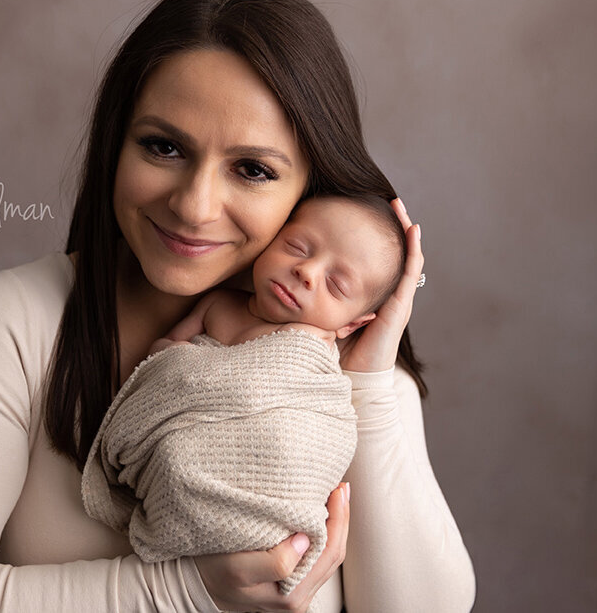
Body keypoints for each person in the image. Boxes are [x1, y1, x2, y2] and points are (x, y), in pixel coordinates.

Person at [0, 0, 476, 612]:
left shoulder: (340, 360)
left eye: (253, 169)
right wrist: (183, 589)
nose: (195, 206)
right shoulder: (16, 324)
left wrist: (372, 384)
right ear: (116, 143)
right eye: (164, 147)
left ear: (312, 186)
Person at [82, 194, 405, 600]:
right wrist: (184, 371)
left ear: (352, 323)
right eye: (297, 248)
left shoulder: (318, 349)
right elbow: (164, 353)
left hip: (263, 478)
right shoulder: (220, 302)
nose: (306, 272)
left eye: (336, 285)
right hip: (181, 450)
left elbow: (313, 431)